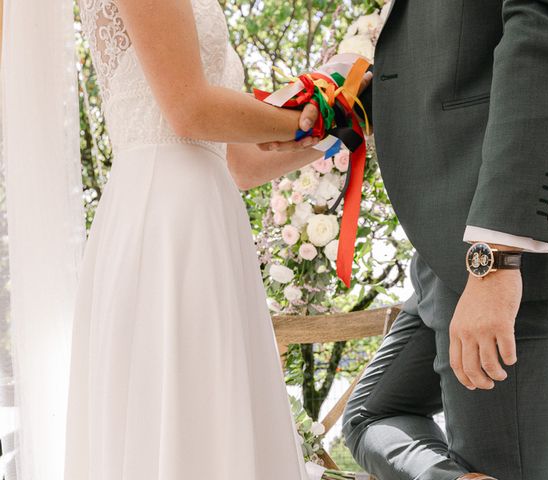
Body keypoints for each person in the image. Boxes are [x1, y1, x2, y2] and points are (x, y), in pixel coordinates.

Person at [269, 0, 548, 478]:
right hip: (450, 242)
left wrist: (498, 257)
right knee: (367, 416)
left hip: (507, 239)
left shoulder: (498, 256)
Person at [63, 0, 371, 478]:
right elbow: (189, 110)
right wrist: (313, 117)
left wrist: (343, 127)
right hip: (165, 219)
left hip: (210, 214)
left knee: (214, 403)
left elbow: (241, 163)